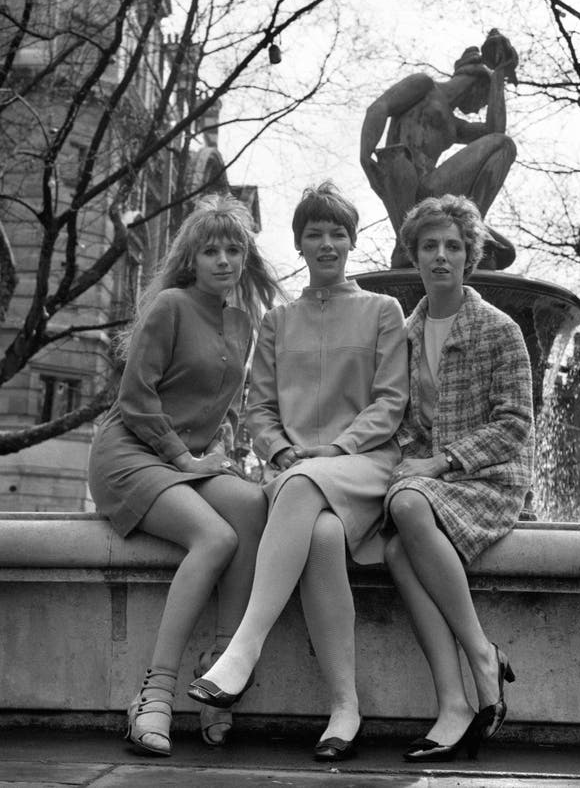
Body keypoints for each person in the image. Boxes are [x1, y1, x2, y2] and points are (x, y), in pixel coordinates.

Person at [188, 181, 408, 761]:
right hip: (294, 476)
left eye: (338, 233)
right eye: (315, 234)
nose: (327, 244)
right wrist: (281, 451)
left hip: (362, 465)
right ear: (300, 243)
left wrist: (332, 453)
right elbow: (257, 406)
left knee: (305, 488)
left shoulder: (383, 311)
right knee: (321, 534)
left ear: (353, 241)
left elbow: (390, 403)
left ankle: (243, 648)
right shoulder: (278, 322)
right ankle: (345, 707)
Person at [88, 195, 281, 756]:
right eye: (211, 250)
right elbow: (136, 398)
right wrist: (185, 460)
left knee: (253, 507)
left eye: (233, 249)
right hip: (130, 452)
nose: (223, 260)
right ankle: (156, 693)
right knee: (217, 536)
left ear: (245, 258)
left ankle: (220, 674)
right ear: (191, 260)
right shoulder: (170, 305)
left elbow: (215, 407)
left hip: (184, 461)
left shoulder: (244, 323)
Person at [384, 194, 533, 762]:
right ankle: (453, 704)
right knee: (398, 553)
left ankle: (480, 655)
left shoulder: (500, 329)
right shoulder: (403, 333)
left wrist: (441, 462)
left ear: (470, 255)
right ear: (414, 255)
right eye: (429, 246)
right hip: (431, 478)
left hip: (489, 477)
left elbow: (516, 423)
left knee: (407, 507)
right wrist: (407, 458)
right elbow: (398, 420)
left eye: (452, 246)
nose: (441, 256)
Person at [360, 29, 518, 267]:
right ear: (477, 85)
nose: (477, 110)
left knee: (507, 252)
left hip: (430, 192)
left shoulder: (455, 126)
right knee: (503, 143)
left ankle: (471, 232)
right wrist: (366, 155)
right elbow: (379, 107)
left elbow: (496, 133)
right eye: (483, 101)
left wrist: (498, 77)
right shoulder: (424, 86)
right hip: (405, 180)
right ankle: (420, 242)